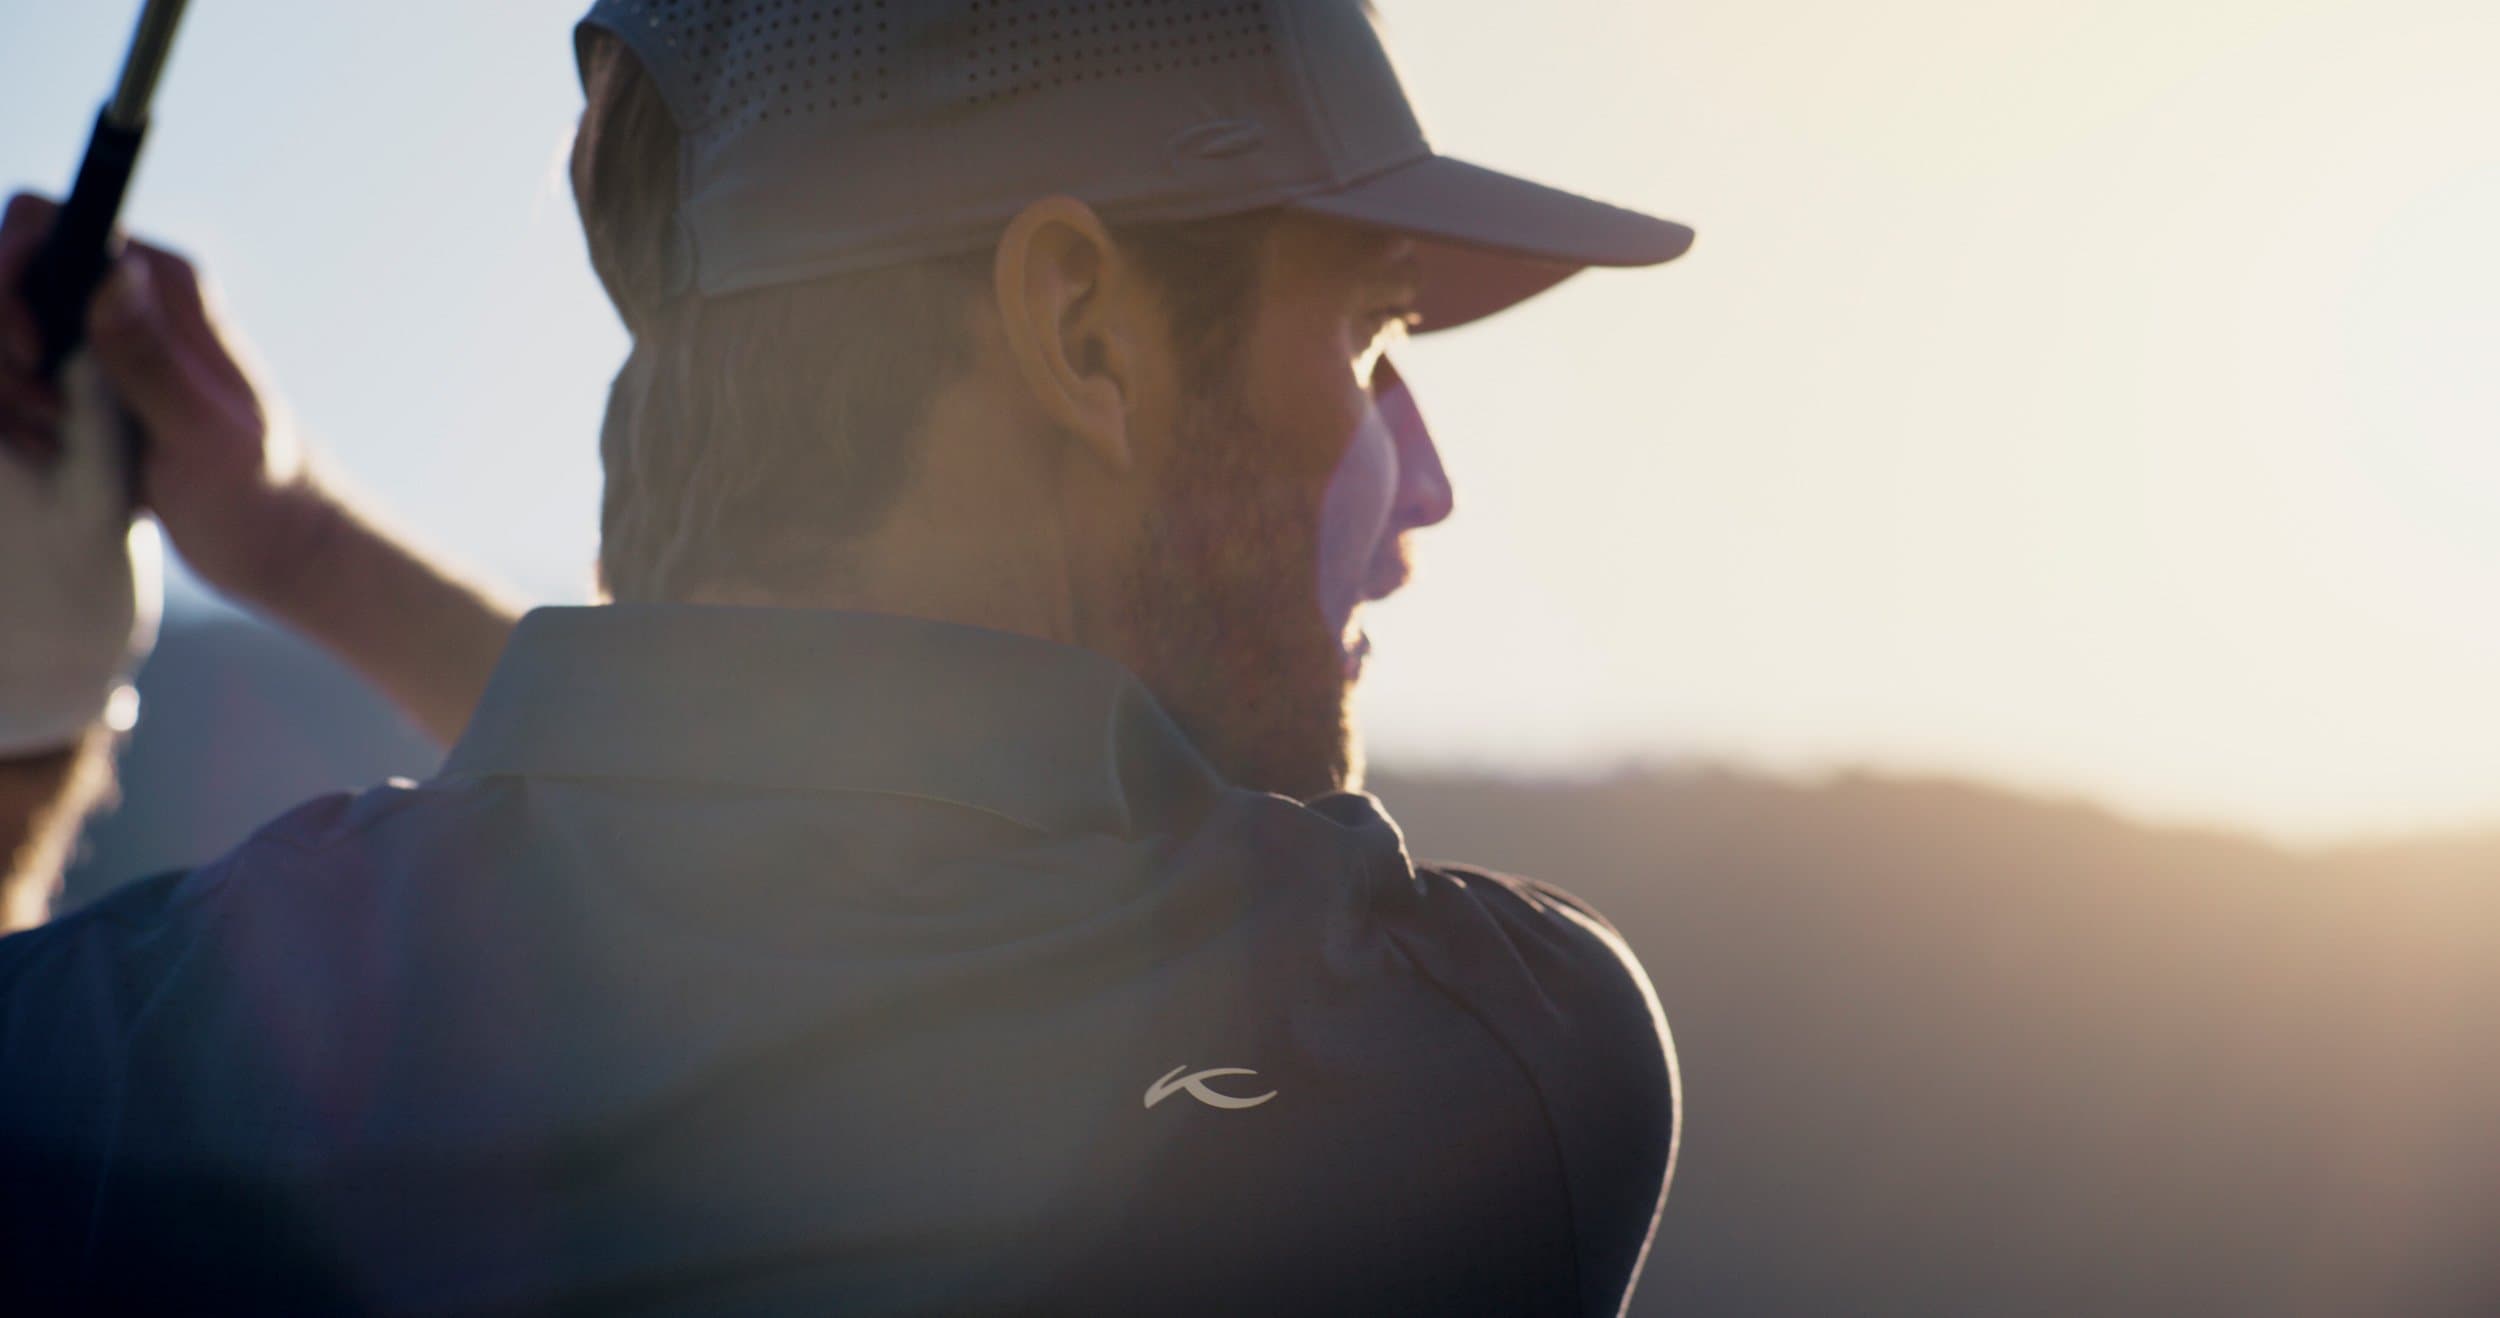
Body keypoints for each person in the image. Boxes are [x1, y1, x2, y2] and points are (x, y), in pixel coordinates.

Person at [0, 0, 1693, 1312]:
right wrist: (308, 545)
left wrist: (32, 686)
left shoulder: (119, 1065)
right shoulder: (1480, 1069)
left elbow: (686, 827)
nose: (1427, 489)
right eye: (1366, 333)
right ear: (1084, 333)